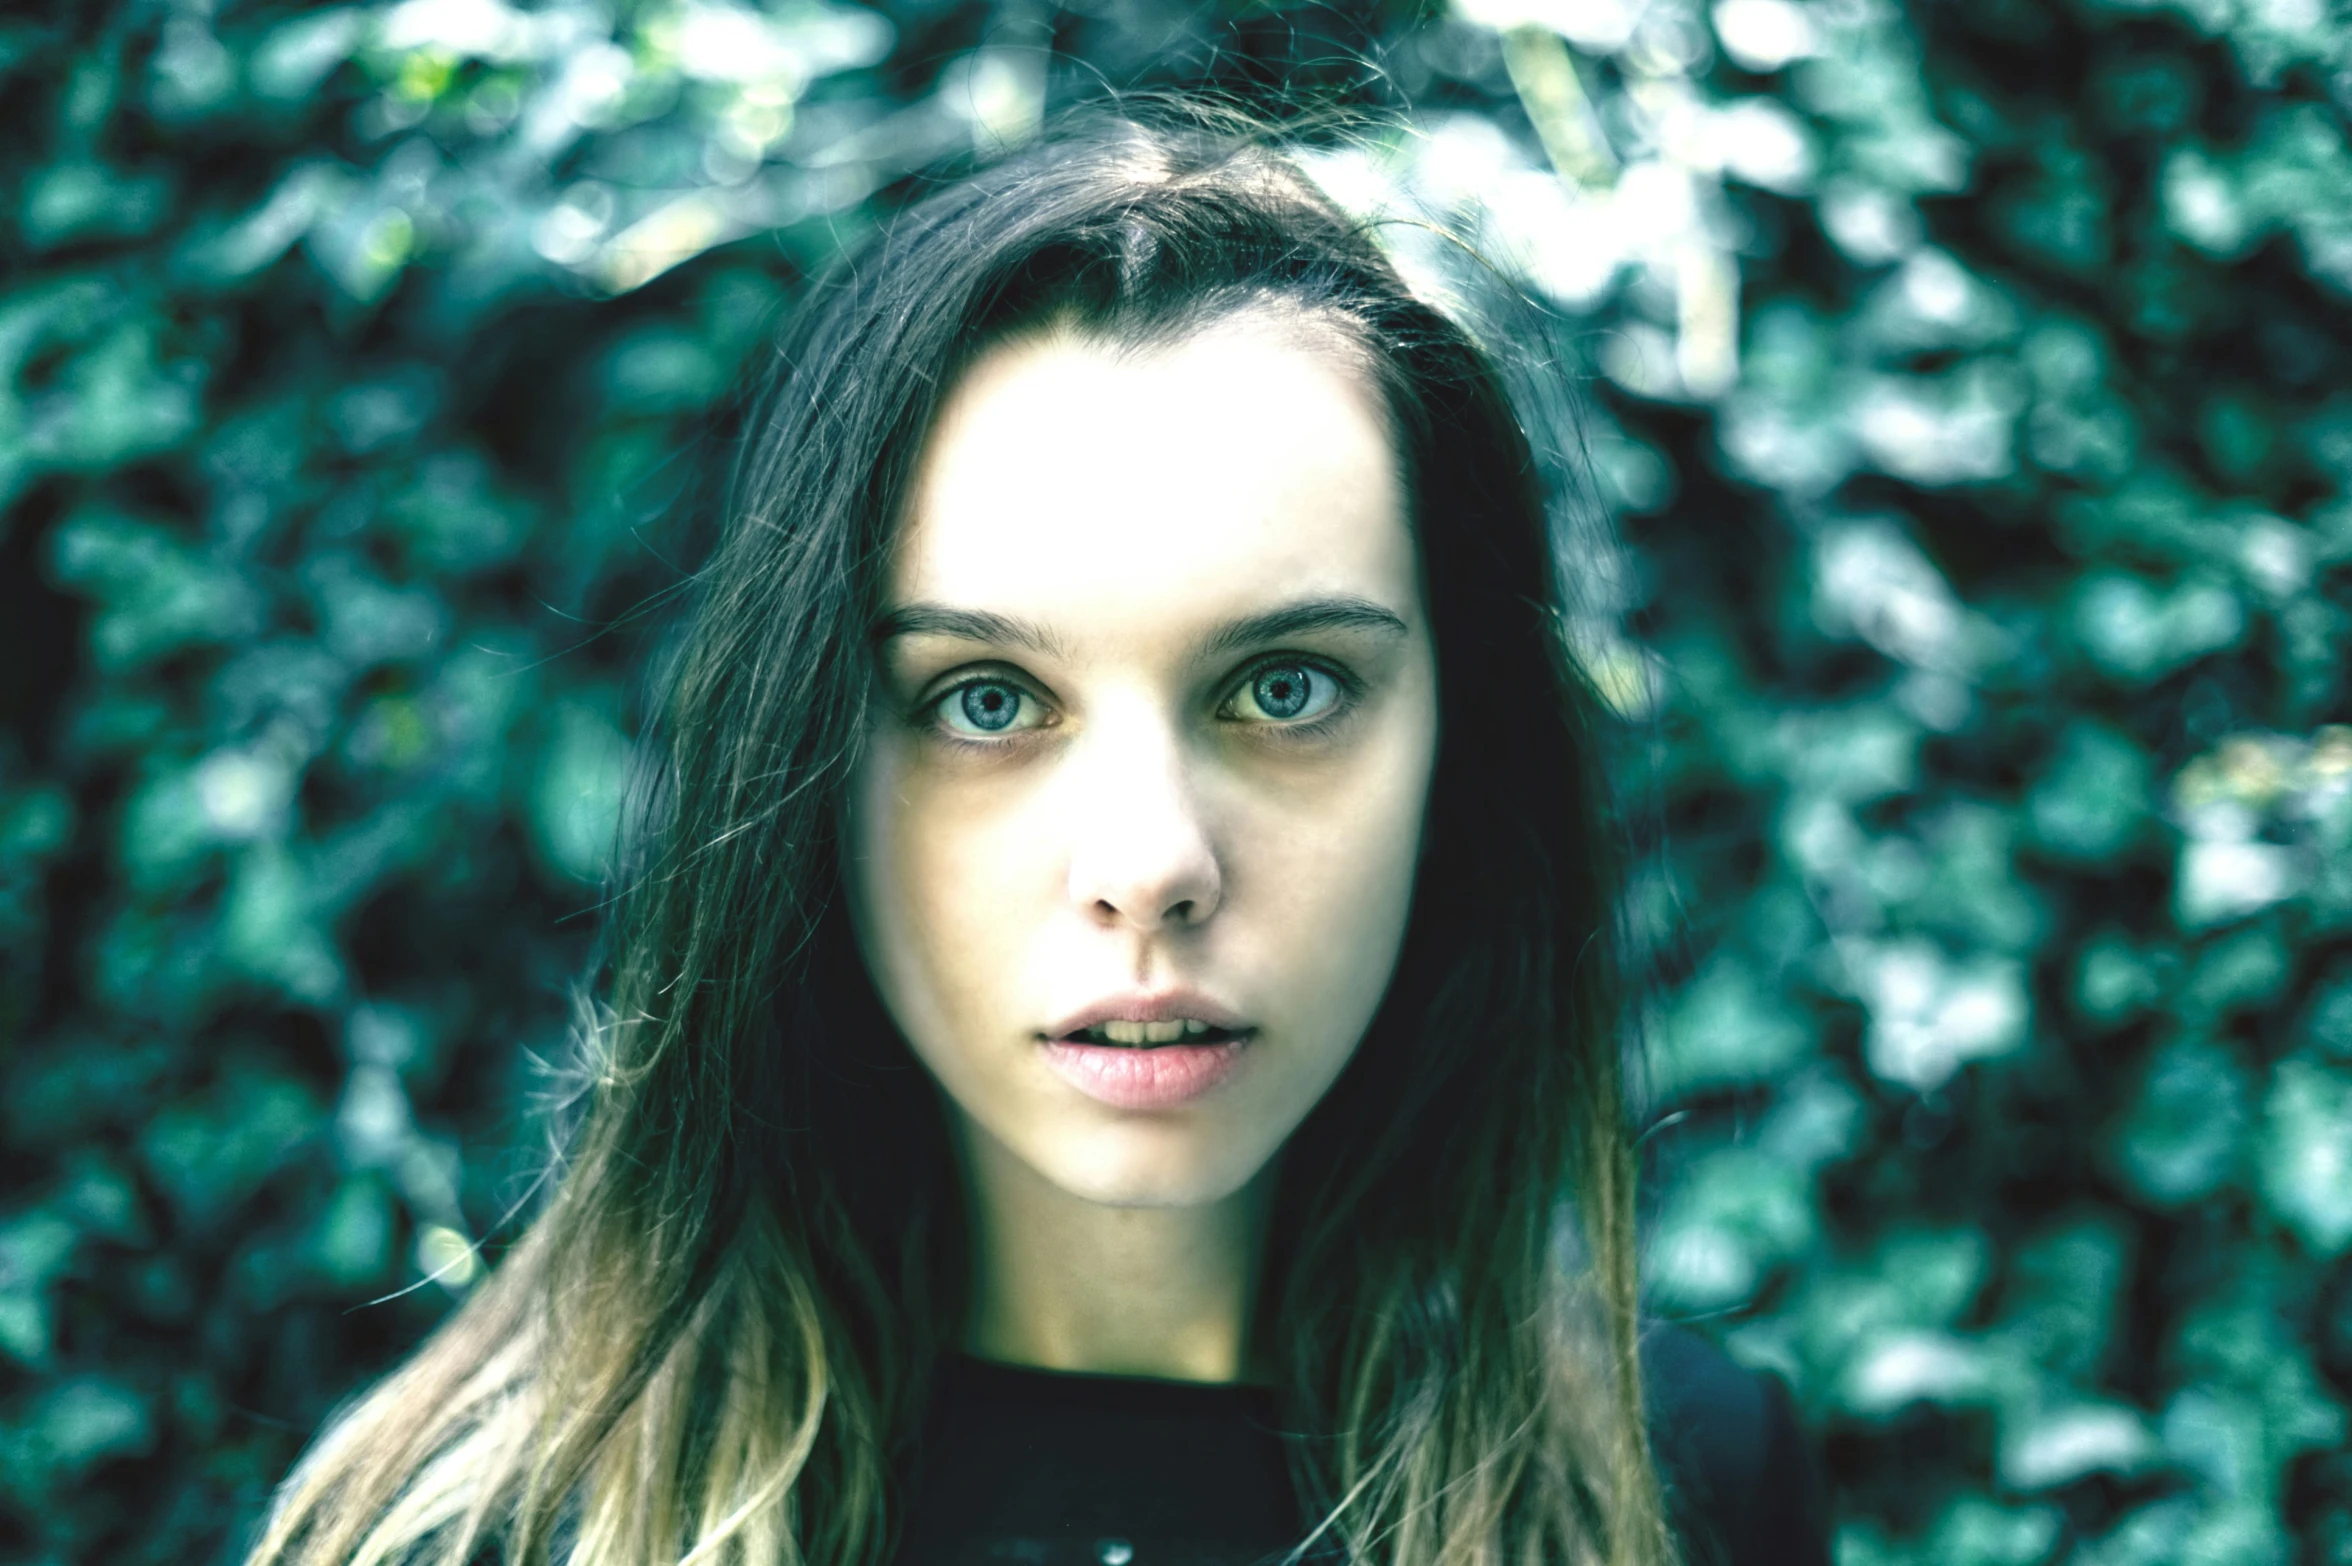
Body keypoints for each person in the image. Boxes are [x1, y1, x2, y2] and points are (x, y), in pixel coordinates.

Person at [244, 109, 1831, 1566]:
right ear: (805, 763)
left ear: (1457, 749)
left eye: (1286, 687)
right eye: (988, 701)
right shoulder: (490, 1525)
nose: (1148, 863)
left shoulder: (1678, 1483)